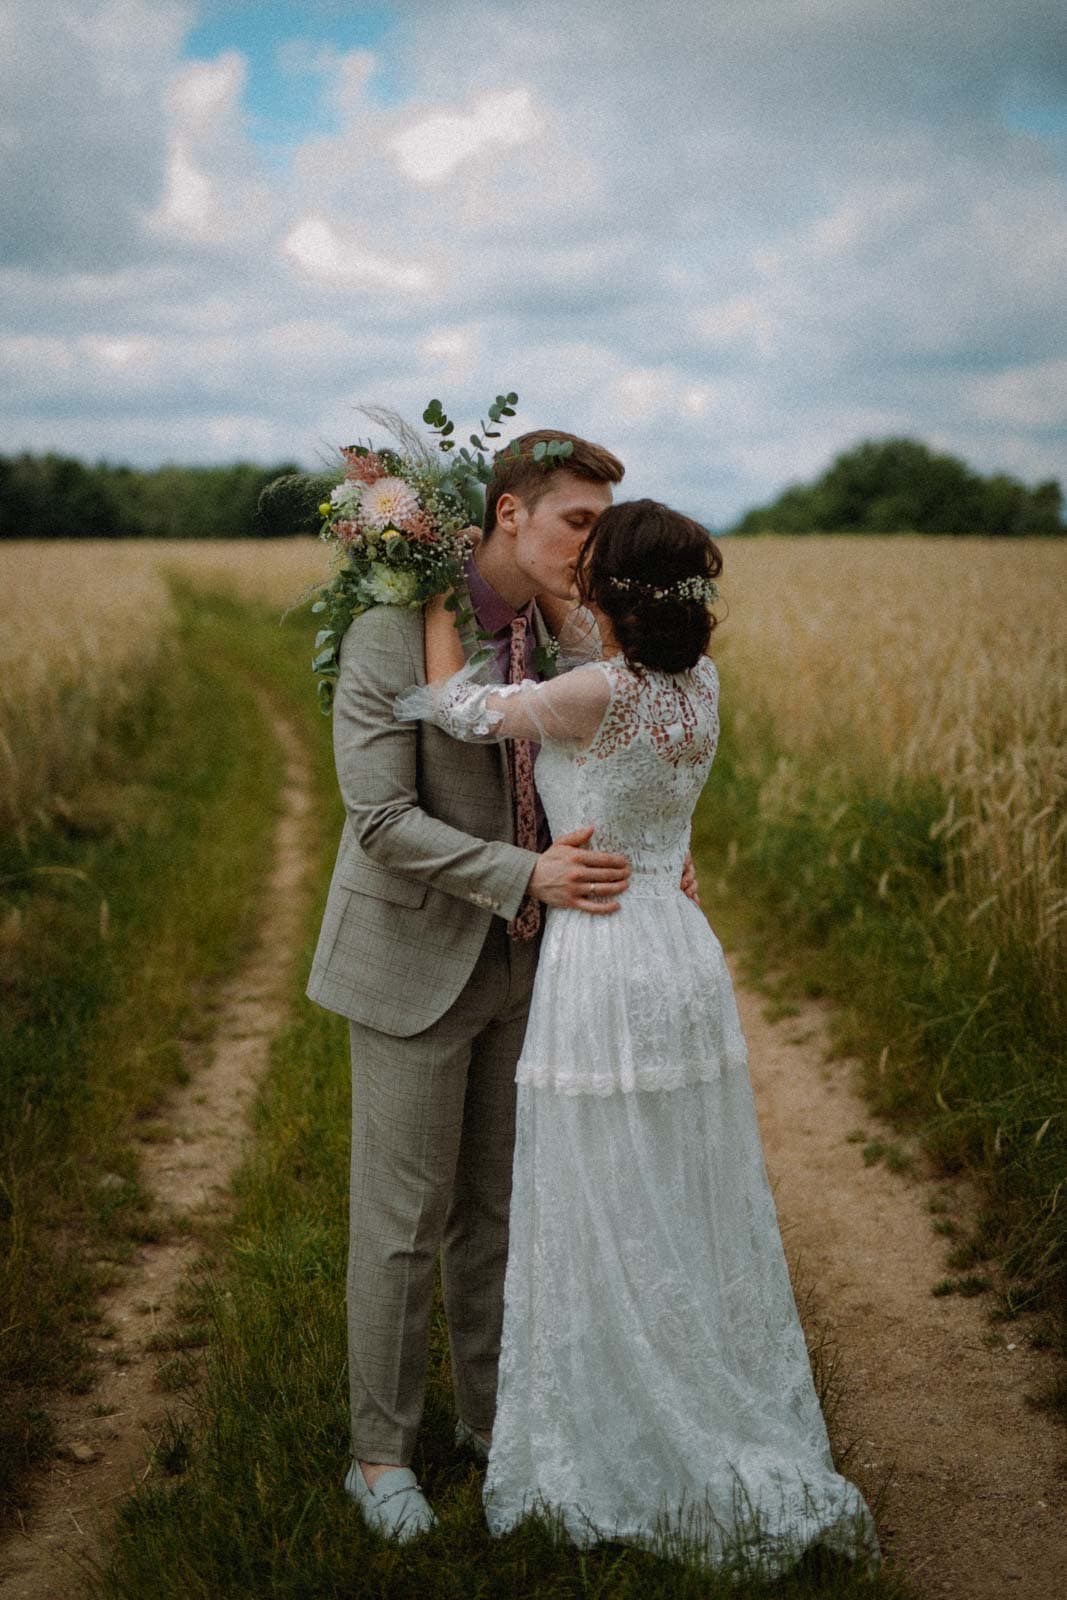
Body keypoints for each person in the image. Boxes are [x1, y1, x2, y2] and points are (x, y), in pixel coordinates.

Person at [398, 499, 881, 1574]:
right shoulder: (692, 685)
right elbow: (591, 641)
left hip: (605, 955)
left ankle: (628, 1418)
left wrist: (434, 584)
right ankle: (695, 1378)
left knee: (598, 1187)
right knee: (677, 1186)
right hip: (679, 944)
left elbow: (452, 706)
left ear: (613, 594)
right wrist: (587, 592)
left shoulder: (586, 694)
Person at [305, 430, 635, 1539]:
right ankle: (379, 1456)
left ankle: (496, 1425)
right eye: (575, 522)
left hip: (525, 963)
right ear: (507, 514)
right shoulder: (389, 628)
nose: (593, 546)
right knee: (404, 1220)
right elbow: (382, 820)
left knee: (495, 1212)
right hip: (412, 960)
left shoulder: (562, 636)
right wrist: (523, 873)